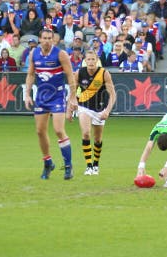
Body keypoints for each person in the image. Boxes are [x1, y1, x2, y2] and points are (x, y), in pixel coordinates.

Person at [24, 28, 78, 180]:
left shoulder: (61, 54)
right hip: (41, 97)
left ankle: (68, 166)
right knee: (40, 131)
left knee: (59, 130)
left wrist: (73, 97)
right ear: (40, 39)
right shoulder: (34, 54)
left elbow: (70, 76)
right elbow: (30, 74)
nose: (47, 41)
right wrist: (27, 94)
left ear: (53, 40)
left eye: (50, 38)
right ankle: (48, 162)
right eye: (45, 38)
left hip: (57, 96)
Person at [71, 49, 117, 176]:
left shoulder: (104, 73)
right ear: (85, 61)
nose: (91, 62)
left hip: (99, 109)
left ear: (97, 61)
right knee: (86, 134)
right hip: (84, 107)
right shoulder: (79, 73)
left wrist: (107, 111)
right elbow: (73, 91)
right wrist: (71, 105)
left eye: (93, 59)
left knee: (97, 139)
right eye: (88, 59)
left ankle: (96, 164)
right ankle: (89, 166)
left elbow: (113, 95)